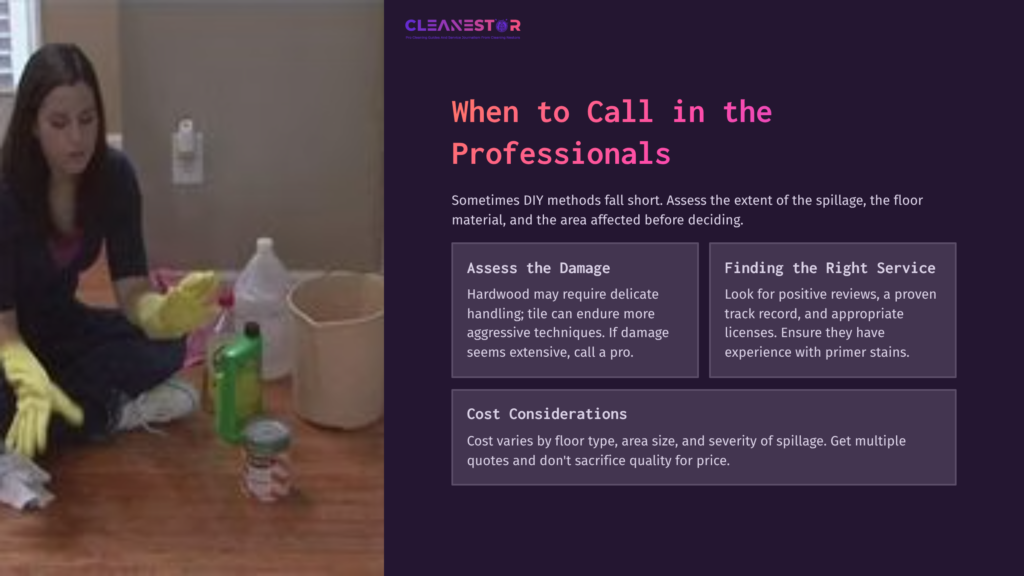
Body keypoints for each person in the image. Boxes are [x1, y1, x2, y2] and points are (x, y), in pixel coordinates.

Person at [0, 43, 218, 461]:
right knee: (13, 403)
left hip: (61, 323)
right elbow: (5, 324)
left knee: (169, 344)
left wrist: (160, 312)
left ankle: (74, 413)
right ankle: (107, 412)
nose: (77, 138)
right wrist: (24, 371)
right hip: (9, 337)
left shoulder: (114, 177)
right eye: (59, 123)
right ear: (32, 124)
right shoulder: (7, 196)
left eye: (88, 119)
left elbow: (131, 289)